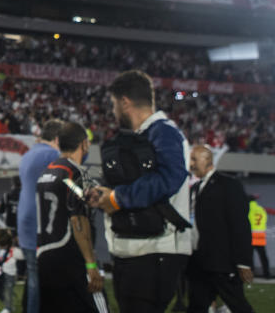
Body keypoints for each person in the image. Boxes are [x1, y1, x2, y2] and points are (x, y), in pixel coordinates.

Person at [88, 70, 191, 313]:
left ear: (125, 102)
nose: (113, 112)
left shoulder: (164, 132)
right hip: (137, 250)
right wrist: (104, 194)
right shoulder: (144, 136)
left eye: (114, 104)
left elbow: (169, 178)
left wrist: (117, 197)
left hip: (156, 251)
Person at [36, 121, 105, 312]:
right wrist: (91, 264)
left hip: (43, 257)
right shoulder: (74, 173)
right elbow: (78, 220)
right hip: (69, 255)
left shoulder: (46, 172)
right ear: (84, 144)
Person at [186, 145, 255, 313]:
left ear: (208, 160)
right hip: (199, 261)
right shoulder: (195, 188)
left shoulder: (229, 185)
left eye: (195, 159)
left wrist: (243, 262)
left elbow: (240, 225)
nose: (191, 164)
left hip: (222, 263)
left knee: (238, 305)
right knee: (196, 305)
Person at [17, 119, 64, 313]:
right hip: (42, 223)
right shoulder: (53, 154)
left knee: (34, 277)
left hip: (25, 222)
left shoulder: (27, 155)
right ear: (57, 138)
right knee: (50, 281)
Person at [0, 228, 21, 313]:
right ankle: (9, 304)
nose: (2, 247)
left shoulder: (13, 250)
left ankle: (8, 308)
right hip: (0, 274)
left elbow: (22, 255)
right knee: (1, 291)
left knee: (8, 290)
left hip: (10, 274)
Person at [248, 195, 269, 278]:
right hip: (260, 236)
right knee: (263, 257)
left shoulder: (247, 209)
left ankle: (250, 275)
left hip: (250, 237)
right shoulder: (261, 209)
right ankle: (267, 274)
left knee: (249, 257)